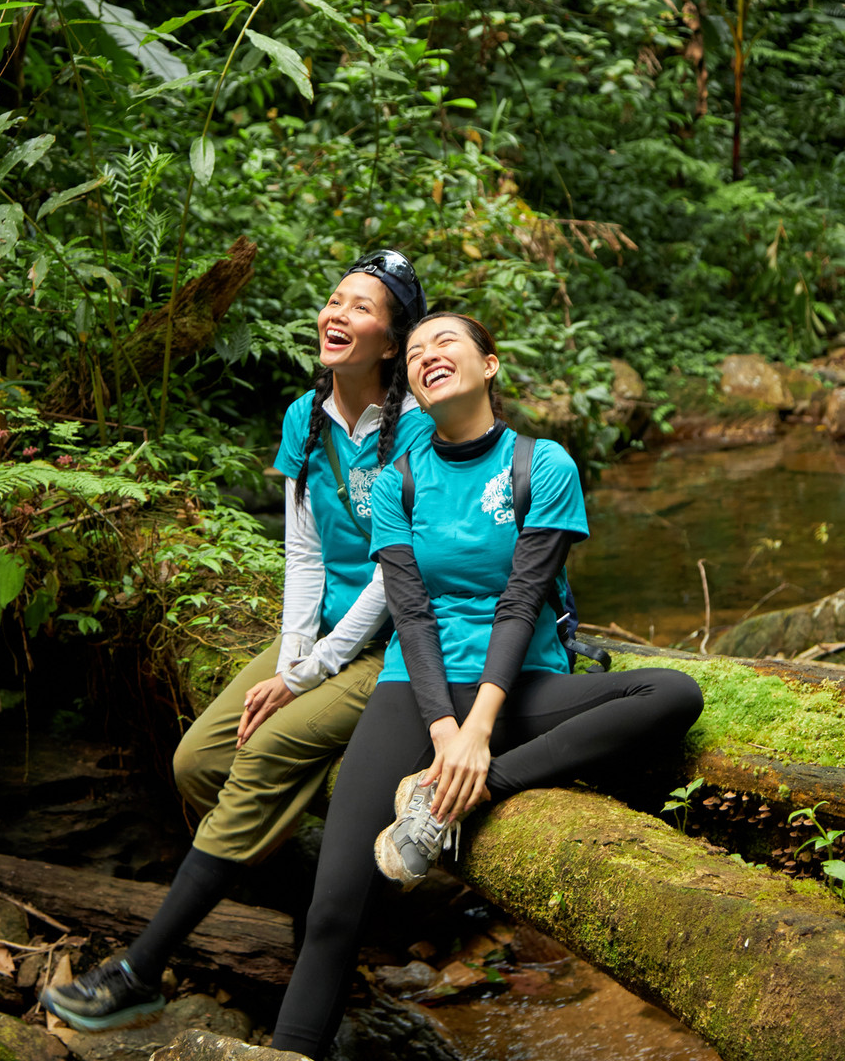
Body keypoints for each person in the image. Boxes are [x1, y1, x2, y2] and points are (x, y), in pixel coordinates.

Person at [270, 312, 704, 1061]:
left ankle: (459, 798)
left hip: (523, 682)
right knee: (334, 909)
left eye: (446, 343)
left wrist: (478, 747)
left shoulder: (542, 464)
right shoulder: (399, 479)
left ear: (490, 365)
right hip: (416, 688)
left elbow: (522, 599)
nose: (427, 356)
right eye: (414, 352)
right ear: (409, 383)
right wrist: (446, 729)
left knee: (671, 694)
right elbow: (410, 612)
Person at [41, 250, 430, 1032]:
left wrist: (307, 677)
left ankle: (140, 969)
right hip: (325, 634)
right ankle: (315, 890)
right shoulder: (304, 417)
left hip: (397, 648)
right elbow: (305, 554)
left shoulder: (417, 428)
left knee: (261, 754)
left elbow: (397, 576)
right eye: (334, 299)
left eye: (361, 307)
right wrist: (291, 657)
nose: (337, 314)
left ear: (392, 343)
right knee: (197, 762)